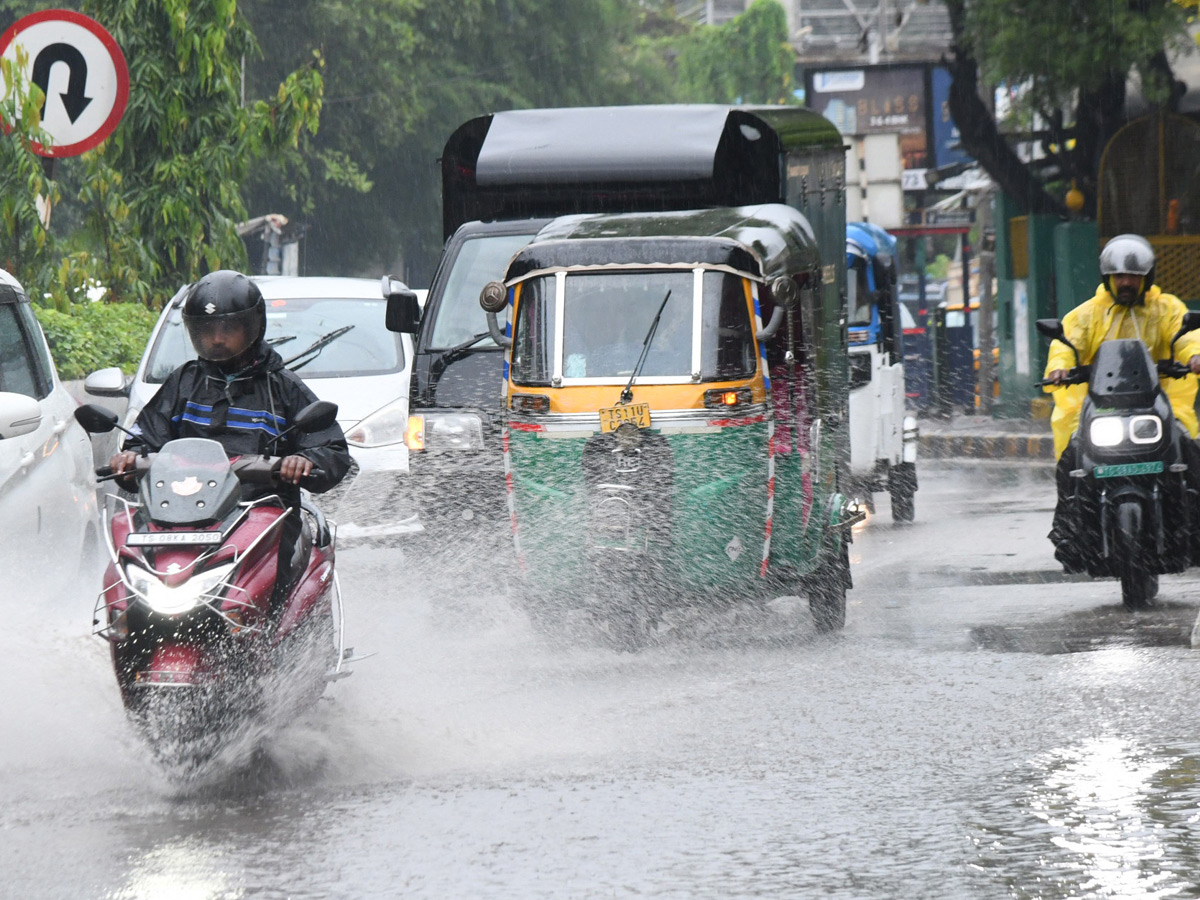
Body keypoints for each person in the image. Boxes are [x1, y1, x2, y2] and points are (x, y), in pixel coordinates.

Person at [110, 269, 352, 611]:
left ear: (253, 327)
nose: (217, 340)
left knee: (272, 597)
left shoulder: (282, 387)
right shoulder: (183, 383)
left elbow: (333, 449)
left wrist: (306, 462)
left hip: (258, 514)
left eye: (228, 329)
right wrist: (130, 458)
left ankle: (270, 638)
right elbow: (145, 436)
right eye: (206, 331)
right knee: (136, 577)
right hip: (182, 515)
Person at [1044, 234, 1200, 570]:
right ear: (1108, 279)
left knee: (1189, 447)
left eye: (1134, 277)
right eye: (1120, 277)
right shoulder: (1087, 314)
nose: (1127, 282)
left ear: (1148, 278)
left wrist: (1194, 355)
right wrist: (1060, 367)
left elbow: (1186, 336)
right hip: (1102, 406)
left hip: (1158, 402)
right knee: (1071, 459)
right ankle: (1069, 532)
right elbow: (1067, 342)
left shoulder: (1167, 308)